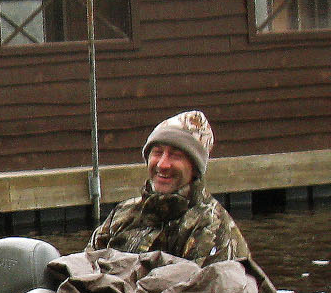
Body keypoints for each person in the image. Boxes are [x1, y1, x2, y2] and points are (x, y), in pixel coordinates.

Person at [87, 110, 250, 265]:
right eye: (157, 153)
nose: (162, 164)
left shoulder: (212, 227)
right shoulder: (122, 214)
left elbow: (207, 284)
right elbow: (85, 268)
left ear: (195, 167)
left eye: (175, 156)